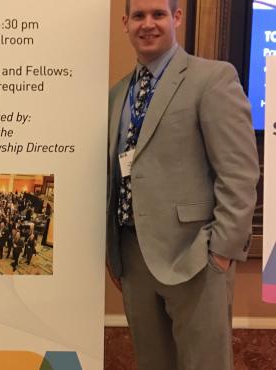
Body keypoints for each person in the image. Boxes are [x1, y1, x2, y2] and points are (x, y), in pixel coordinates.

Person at [106, 1, 259, 369]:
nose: (148, 24)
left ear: (176, 18)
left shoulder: (212, 78)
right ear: (126, 24)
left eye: (158, 14)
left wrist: (220, 253)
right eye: (139, 16)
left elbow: (239, 172)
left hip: (196, 258)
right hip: (134, 256)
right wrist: (115, 252)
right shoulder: (117, 93)